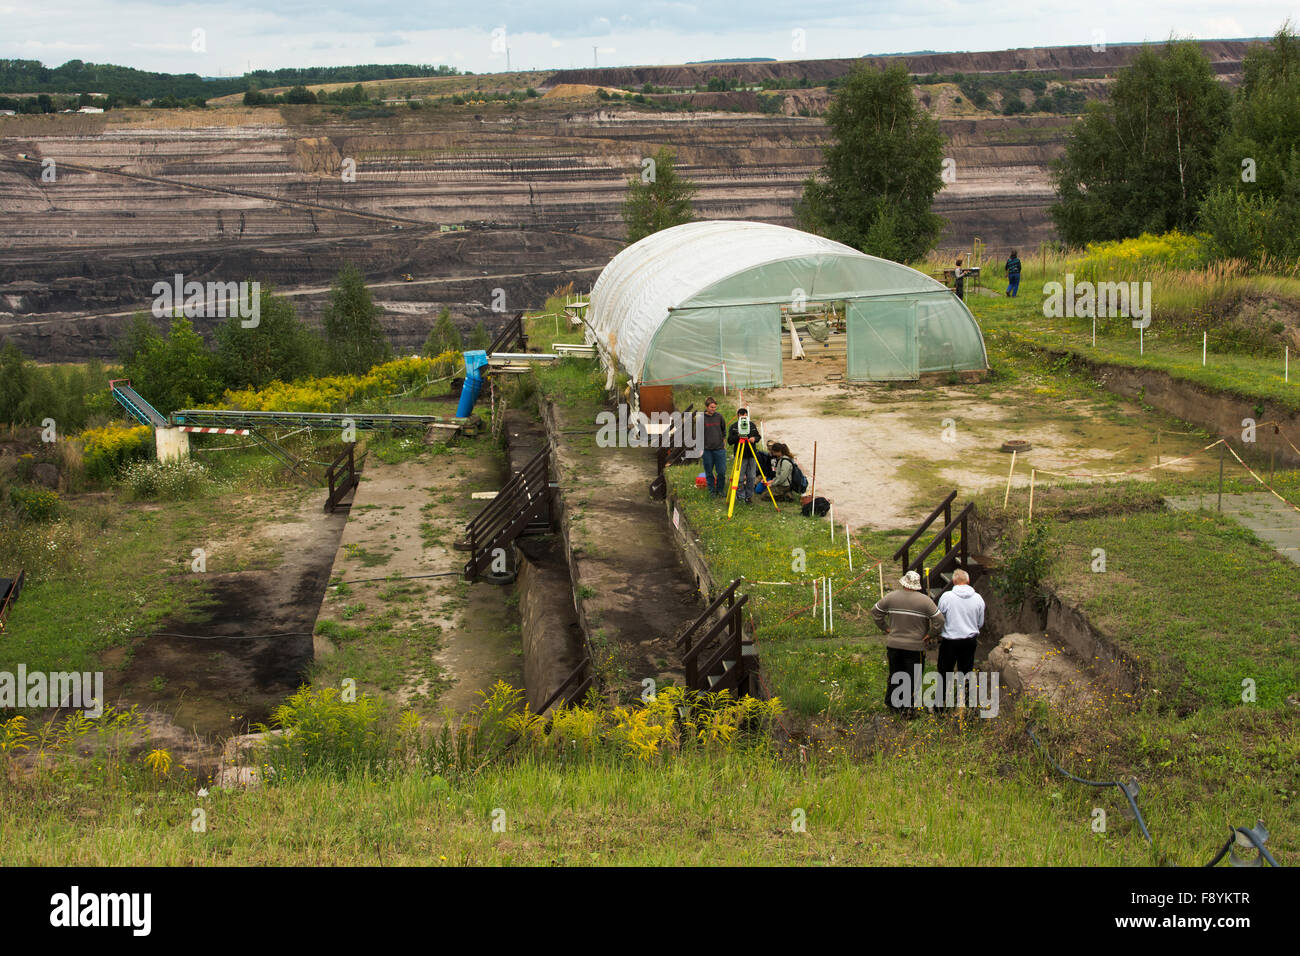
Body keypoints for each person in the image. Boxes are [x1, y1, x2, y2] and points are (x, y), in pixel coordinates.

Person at [872, 570, 944, 715]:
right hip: (915, 646)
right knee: (913, 677)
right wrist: (930, 634)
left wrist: (886, 628)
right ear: (917, 585)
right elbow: (940, 620)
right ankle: (909, 707)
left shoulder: (891, 597)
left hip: (894, 644)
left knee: (895, 674)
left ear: (904, 582)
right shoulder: (925, 601)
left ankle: (893, 705)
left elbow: (876, 612)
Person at [935, 569, 986, 711]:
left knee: (945, 672)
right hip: (969, 640)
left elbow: (940, 618)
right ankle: (967, 704)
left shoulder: (947, 597)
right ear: (968, 581)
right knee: (966, 671)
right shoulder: (978, 598)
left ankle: (941, 705)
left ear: (954, 581)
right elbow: (980, 622)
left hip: (950, 640)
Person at [727, 407, 762, 504]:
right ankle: (741, 496)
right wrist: (738, 436)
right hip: (740, 456)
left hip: (751, 454)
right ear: (738, 416)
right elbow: (730, 441)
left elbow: (758, 437)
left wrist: (754, 439)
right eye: (742, 417)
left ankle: (749, 496)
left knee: (751, 477)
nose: (744, 419)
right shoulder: (734, 426)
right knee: (740, 477)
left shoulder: (752, 425)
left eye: (745, 417)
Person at [699, 397, 727, 496]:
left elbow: (724, 431)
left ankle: (720, 489)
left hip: (719, 450)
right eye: (711, 407)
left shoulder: (719, 417)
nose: (713, 409)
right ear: (706, 407)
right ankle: (712, 491)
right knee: (709, 472)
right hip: (707, 451)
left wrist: (724, 444)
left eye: (715, 407)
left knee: (721, 471)